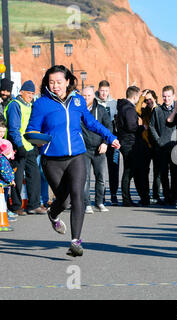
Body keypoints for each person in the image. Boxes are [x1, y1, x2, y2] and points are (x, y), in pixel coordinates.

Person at [26, 65, 120, 257]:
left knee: (78, 194)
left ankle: (76, 241)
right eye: (51, 82)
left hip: (77, 155)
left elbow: (91, 122)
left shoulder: (77, 100)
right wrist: (40, 139)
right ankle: (53, 214)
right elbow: (31, 130)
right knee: (64, 199)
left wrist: (110, 137)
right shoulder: (41, 103)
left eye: (59, 82)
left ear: (67, 81)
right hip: (52, 160)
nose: (55, 86)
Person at [4, 80, 47, 216]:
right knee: (16, 178)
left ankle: (33, 205)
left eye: (33, 93)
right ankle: (16, 206)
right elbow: (13, 129)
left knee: (34, 175)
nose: (31, 96)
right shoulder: (15, 105)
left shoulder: (30, 105)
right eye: (28, 93)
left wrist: (35, 143)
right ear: (21, 92)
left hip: (29, 147)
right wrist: (20, 146)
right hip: (17, 148)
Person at [81, 86, 112, 214]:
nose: (86, 98)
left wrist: (105, 143)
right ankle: (87, 203)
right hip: (84, 150)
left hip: (99, 149)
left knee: (101, 177)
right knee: (85, 178)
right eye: (84, 96)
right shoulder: (78, 111)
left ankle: (99, 202)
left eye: (89, 96)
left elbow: (109, 126)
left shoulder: (101, 110)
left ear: (94, 96)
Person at [149, 85, 177, 205]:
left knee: (175, 174)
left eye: (168, 96)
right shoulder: (157, 110)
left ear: (173, 96)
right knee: (163, 173)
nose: (166, 98)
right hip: (161, 147)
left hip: (176, 147)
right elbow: (151, 126)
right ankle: (167, 196)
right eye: (164, 96)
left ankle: (175, 196)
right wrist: (158, 140)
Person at [95, 80, 119, 205]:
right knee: (101, 170)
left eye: (106, 91)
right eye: (102, 91)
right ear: (98, 90)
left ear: (109, 91)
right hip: (99, 141)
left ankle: (114, 194)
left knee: (114, 168)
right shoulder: (94, 103)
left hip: (113, 141)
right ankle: (101, 195)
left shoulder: (114, 103)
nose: (104, 93)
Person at [116, 86, 140, 207]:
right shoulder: (129, 109)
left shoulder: (121, 106)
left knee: (128, 170)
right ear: (134, 96)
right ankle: (126, 199)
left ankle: (126, 198)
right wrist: (141, 128)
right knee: (128, 170)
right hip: (129, 142)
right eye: (138, 97)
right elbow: (131, 126)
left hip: (123, 140)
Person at [0, 138, 16, 222]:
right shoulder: (3, 160)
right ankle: (4, 216)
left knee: (4, 200)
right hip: (3, 185)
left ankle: (4, 214)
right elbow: (4, 173)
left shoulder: (4, 159)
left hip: (4, 184)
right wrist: (11, 180)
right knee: (3, 201)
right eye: (11, 152)